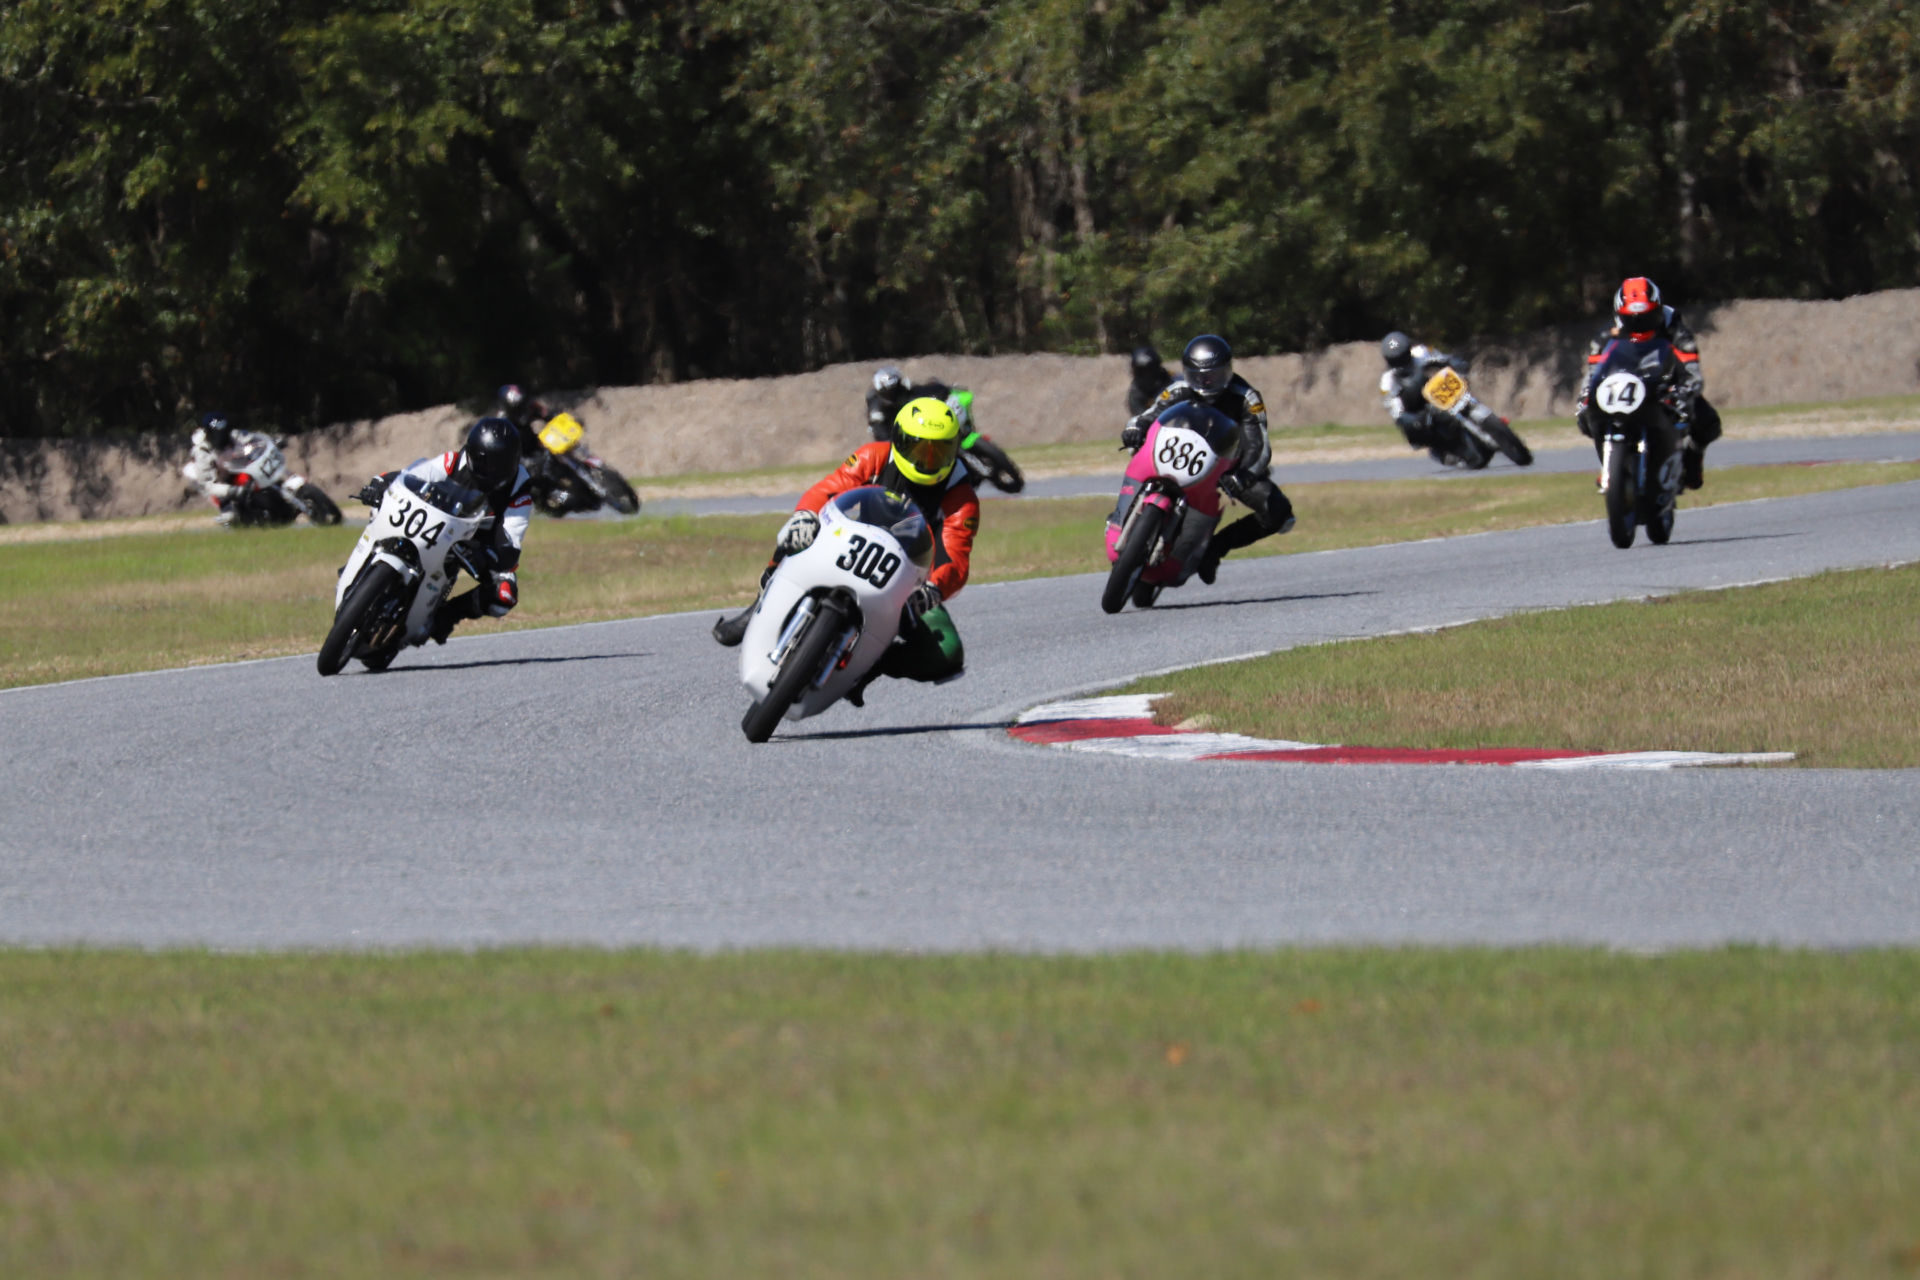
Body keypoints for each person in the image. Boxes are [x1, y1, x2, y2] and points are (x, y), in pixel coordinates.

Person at [713, 396, 980, 705]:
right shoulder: (873, 456)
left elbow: (956, 559)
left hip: (907, 581)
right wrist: (805, 515)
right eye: (921, 448)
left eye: (940, 451)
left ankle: (867, 665)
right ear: (900, 439)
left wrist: (933, 591)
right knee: (797, 532)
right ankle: (759, 604)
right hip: (842, 541)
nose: (928, 460)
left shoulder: (961, 497)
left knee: (947, 653)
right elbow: (828, 489)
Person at [1122, 334, 1294, 583]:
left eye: (1214, 374)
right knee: (1137, 460)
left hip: (1225, 465)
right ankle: (1126, 519)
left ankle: (1214, 549)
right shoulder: (1178, 389)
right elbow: (1149, 414)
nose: (1206, 382)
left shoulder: (1247, 398)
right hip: (1178, 453)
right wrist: (1135, 428)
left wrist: (1243, 475)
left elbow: (1260, 445)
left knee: (1279, 513)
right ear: (1187, 372)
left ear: (1228, 370)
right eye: (1199, 375)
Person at [352, 417, 534, 644]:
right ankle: (366, 562)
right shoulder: (453, 461)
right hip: (436, 518)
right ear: (472, 451)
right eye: (484, 461)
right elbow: (415, 474)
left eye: (499, 465)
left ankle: (445, 616)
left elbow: (511, 540)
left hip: (476, 541)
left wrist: (488, 555)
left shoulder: (520, 490)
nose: (490, 470)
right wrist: (381, 483)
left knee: (504, 594)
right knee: (379, 510)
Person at [1578, 278, 1719, 489]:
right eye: (1632, 319)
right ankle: (1610, 469)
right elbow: (1593, 372)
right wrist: (1586, 396)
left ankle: (1692, 459)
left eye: (1647, 318)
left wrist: (1685, 391)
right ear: (1620, 315)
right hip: (1623, 389)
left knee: (1708, 422)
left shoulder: (1674, 327)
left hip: (1663, 387)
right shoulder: (1608, 333)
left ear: (1658, 310)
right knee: (1586, 415)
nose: (1639, 325)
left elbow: (1692, 369)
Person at [1376, 332, 1520, 468]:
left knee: (1465, 395)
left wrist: (1457, 364)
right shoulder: (1388, 381)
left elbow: (1444, 358)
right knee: (1473, 459)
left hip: (1439, 390)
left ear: (1408, 349)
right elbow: (1397, 412)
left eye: (1404, 356)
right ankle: (1449, 451)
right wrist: (1411, 420)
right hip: (1421, 410)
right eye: (1397, 359)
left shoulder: (1421, 351)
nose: (1403, 361)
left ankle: (1491, 423)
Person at [1126, 345, 1173, 417]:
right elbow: (1141, 418)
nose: (1146, 376)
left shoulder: (1172, 381)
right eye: (1140, 372)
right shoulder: (1136, 394)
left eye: (1150, 371)